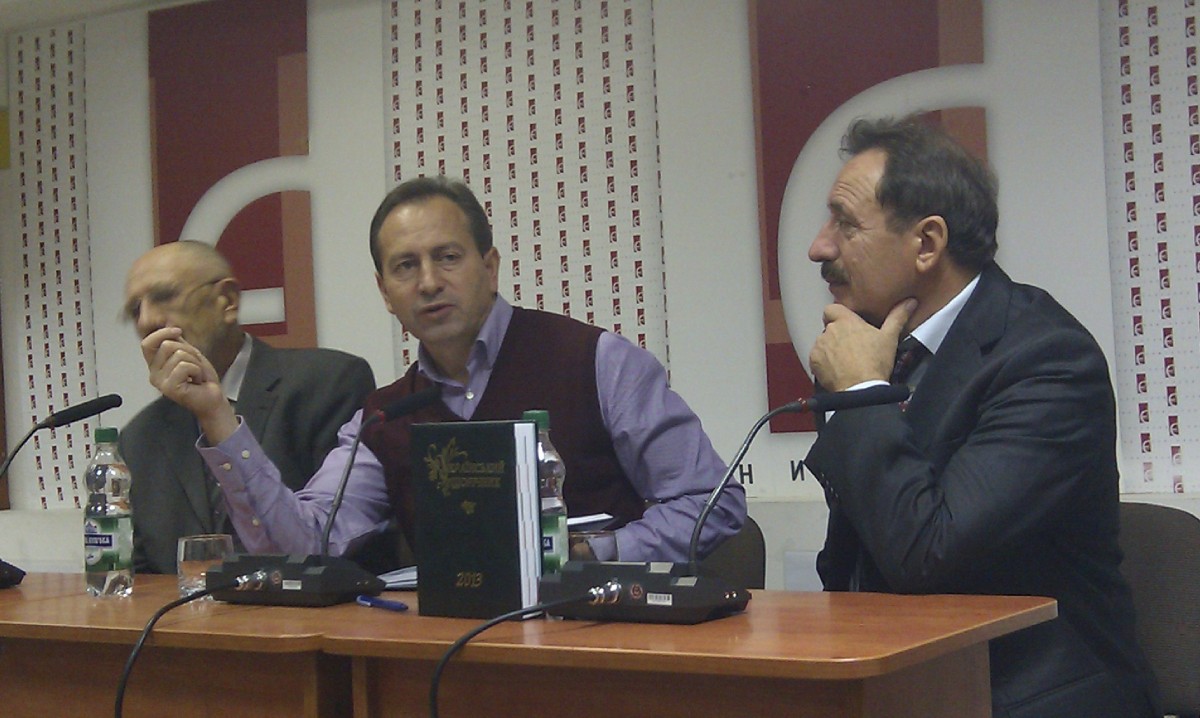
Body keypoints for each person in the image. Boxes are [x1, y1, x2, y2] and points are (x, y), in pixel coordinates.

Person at [141, 177, 744, 565]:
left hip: (602, 646)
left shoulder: (596, 361)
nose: (428, 282)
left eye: (447, 257)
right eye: (405, 267)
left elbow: (711, 503)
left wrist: (593, 551)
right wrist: (218, 417)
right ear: (385, 293)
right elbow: (301, 544)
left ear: (490, 266)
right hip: (452, 660)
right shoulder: (384, 416)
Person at [802, 116, 1159, 717]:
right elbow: (855, 560)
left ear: (927, 243)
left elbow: (928, 555)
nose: (819, 247)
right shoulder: (868, 349)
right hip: (899, 682)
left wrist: (862, 391)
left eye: (846, 223)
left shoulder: (1047, 360)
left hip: (1026, 694)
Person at [121, 240, 375, 574]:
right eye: (135, 310)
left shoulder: (328, 384)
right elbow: (137, 579)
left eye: (165, 296)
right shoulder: (140, 439)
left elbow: (336, 546)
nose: (147, 320)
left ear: (227, 300)